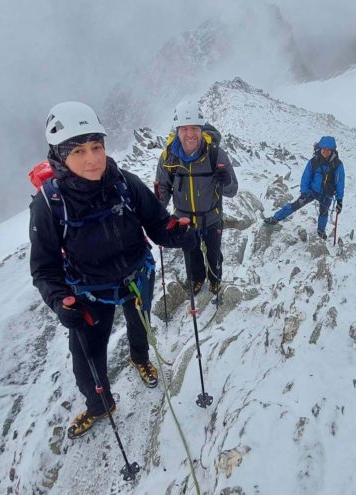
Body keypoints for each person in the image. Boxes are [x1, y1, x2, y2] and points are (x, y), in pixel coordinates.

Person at [30, 101, 197, 438]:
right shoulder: (49, 204)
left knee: (140, 323)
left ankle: (140, 358)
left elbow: (157, 225)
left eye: (96, 147)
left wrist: (180, 234)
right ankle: (99, 404)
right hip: (87, 291)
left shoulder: (124, 182)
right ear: (59, 156)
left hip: (136, 276)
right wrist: (60, 301)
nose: (91, 158)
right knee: (87, 357)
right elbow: (44, 269)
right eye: (78, 150)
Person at [155, 100, 238, 295]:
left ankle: (215, 279)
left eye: (194, 128)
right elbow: (163, 191)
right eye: (184, 129)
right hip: (184, 221)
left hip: (212, 218)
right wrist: (156, 217)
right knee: (191, 256)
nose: (190, 134)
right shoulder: (168, 158)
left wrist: (225, 181)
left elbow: (232, 190)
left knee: (214, 255)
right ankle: (197, 279)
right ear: (177, 131)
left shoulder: (216, 154)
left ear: (201, 129)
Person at [264, 136, 345, 239]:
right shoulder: (314, 161)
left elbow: (340, 182)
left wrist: (339, 200)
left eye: (328, 150)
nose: (326, 151)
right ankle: (275, 218)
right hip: (312, 191)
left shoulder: (337, 165)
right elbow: (306, 177)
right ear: (320, 148)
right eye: (324, 149)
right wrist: (304, 192)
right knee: (295, 205)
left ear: (332, 150)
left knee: (324, 213)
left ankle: (321, 230)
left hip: (326, 194)